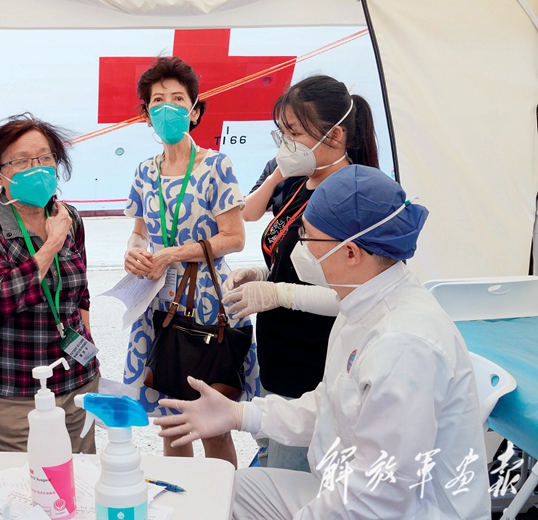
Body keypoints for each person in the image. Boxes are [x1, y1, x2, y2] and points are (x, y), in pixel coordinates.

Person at [156, 165, 490, 519]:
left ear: (351, 253)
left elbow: (378, 497)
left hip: (400, 510)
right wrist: (240, 414)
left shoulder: (403, 345)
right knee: (221, 490)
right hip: (346, 489)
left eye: (308, 238)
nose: (299, 248)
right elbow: (332, 404)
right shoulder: (362, 300)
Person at [221, 75, 380, 471]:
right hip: (278, 358)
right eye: (283, 132)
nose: (286, 143)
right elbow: (294, 261)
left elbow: (355, 295)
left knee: (291, 483)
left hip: (313, 368)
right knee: (272, 461)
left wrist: (279, 294)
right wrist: (263, 275)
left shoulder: (352, 195)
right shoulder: (298, 183)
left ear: (336, 134)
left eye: (294, 132)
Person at [122, 56, 256, 467]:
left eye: (178, 99)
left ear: (195, 110)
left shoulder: (216, 165)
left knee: (212, 424)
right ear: (146, 114)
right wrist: (133, 252)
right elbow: (139, 231)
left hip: (209, 300)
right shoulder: (144, 172)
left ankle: (222, 498)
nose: (168, 107)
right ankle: (180, 497)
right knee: (171, 422)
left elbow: (234, 237)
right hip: (158, 300)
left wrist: (174, 253)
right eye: (157, 100)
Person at [0, 113, 99, 453]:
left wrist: (87, 353)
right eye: (21, 161)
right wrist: (51, 244)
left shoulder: (68, 217)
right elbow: (0, 298)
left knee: (81, 478)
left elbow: (80, 294)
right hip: (12, 391)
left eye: (44, 158)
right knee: (19, 481)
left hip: (76, 384)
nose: (36, 168)